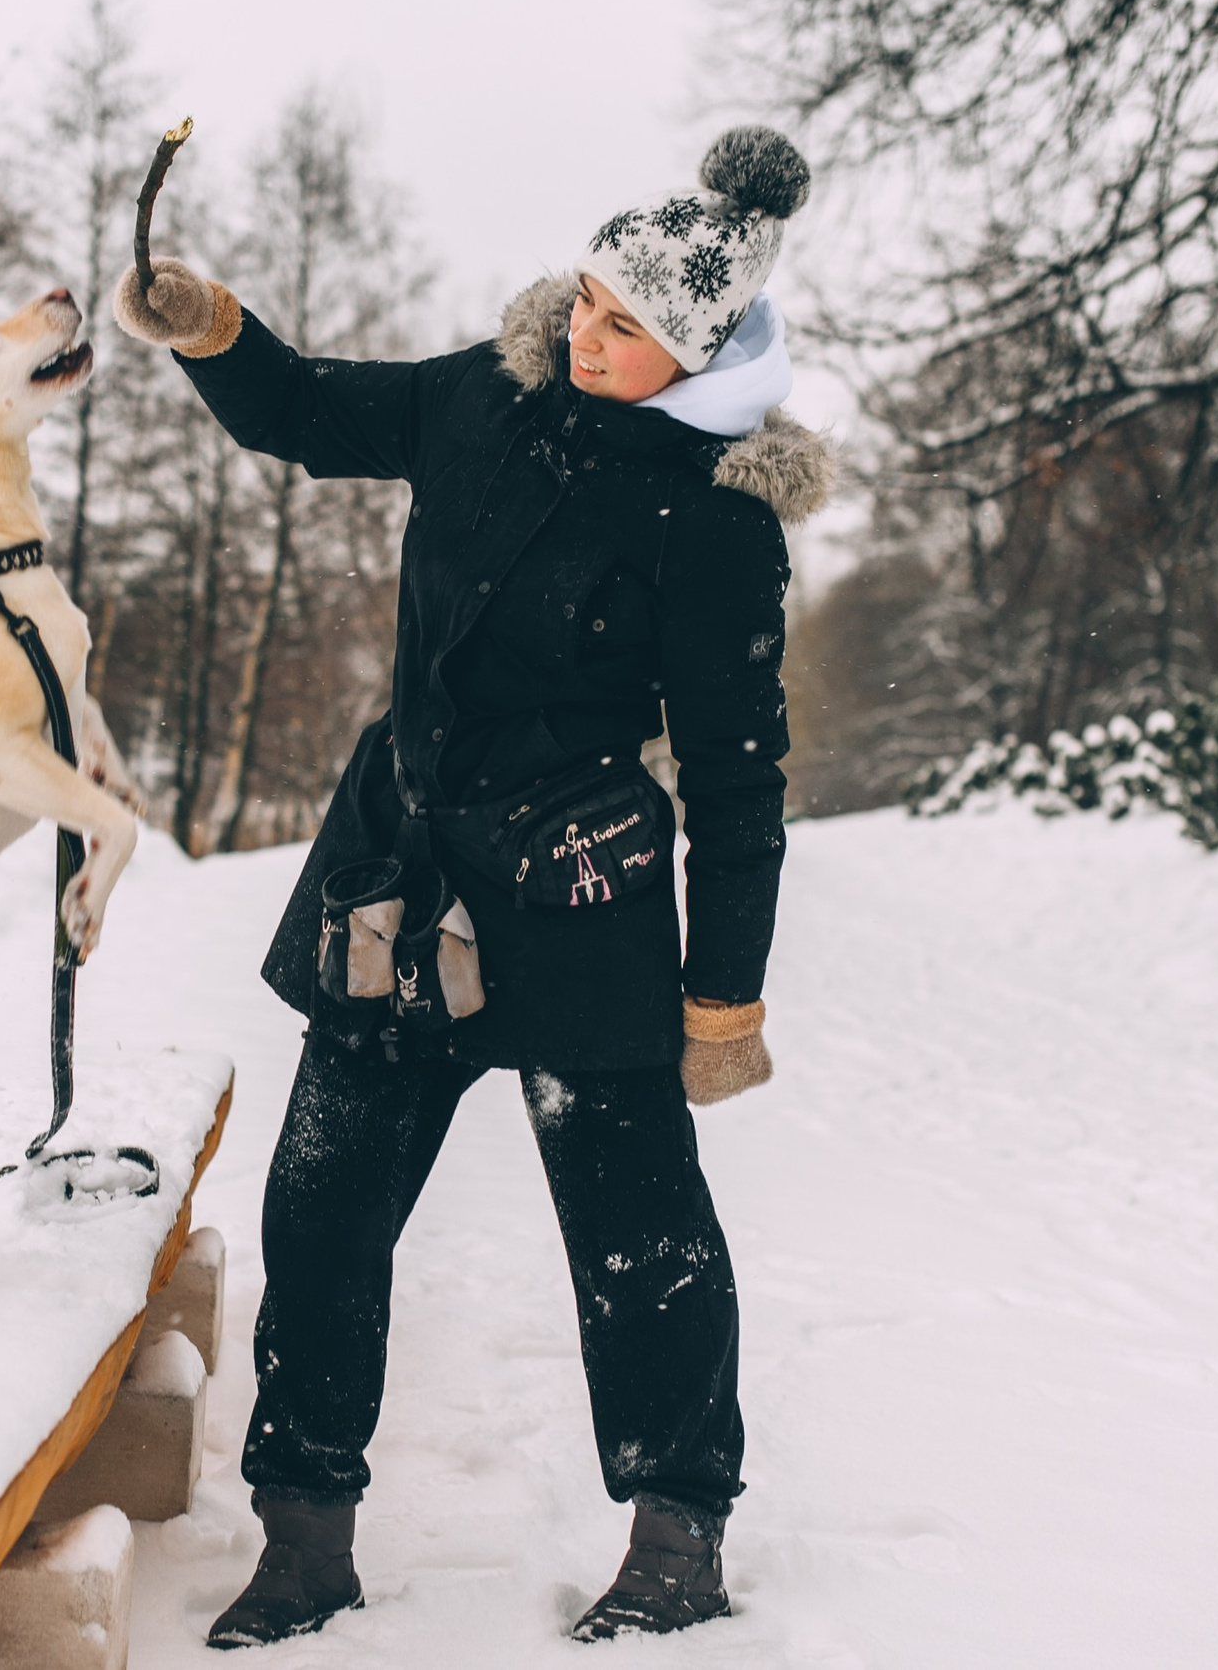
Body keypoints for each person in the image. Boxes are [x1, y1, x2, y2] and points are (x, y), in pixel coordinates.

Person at [113, 126, 833, 1648]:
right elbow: (308, 411)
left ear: (696, 350)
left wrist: (726, 994)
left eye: (625, 325)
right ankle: (306, 1536)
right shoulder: (483, 397)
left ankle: (679, 1533)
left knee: (638, 1234)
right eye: (584, 297)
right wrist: (217, 333)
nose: (585, 333)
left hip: (582, 896)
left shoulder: (713, 517)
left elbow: (738, 781)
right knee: (319, 1210)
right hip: (400, 867)